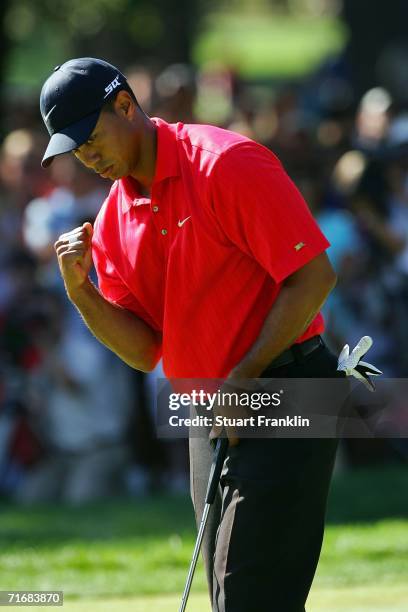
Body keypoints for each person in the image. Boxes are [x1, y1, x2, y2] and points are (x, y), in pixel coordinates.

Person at [39, 58, 343, 611]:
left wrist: (243, 376)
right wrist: (81, 290)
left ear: (126, 106)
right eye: (74, 149)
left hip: (289, 389)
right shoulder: (113, 219)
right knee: (228, 593)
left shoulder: (226, 164)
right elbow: (141, 349)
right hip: (211, 407)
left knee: (250, 594)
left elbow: (314, 277)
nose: (87, 156)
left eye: (90, 137)